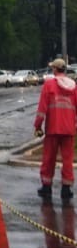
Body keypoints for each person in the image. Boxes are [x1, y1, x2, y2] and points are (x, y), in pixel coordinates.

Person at [34, 58, 77, 202]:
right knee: (67, 159)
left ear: (54, 70)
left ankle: (46, 187)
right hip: (68, 129)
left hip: (53, 128)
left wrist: (38, 125)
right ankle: (66, 188)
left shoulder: (49, 85)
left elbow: (42, 109)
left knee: (49, 158)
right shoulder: (73, 86)